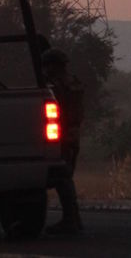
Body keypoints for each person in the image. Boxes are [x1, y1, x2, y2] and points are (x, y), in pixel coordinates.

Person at [42, 48, 85, 235]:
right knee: (66, 177)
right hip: (73, 134)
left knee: (63, 179)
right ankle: (74, 219)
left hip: (64, 135)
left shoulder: (56, 86)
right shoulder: (74, 82)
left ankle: (71, 220)